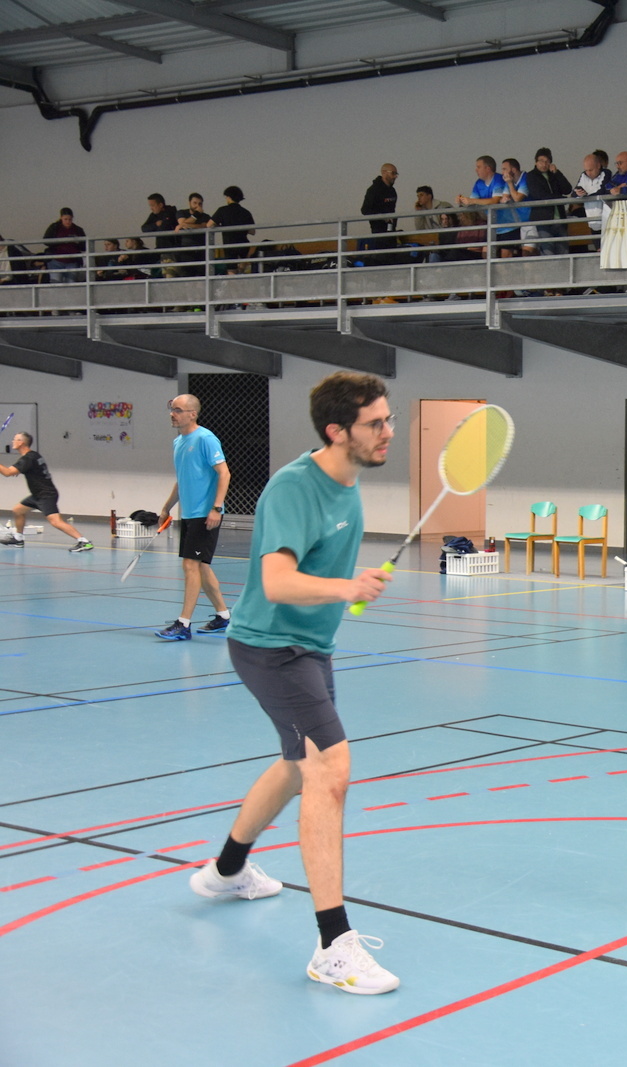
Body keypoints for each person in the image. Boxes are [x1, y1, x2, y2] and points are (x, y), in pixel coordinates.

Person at [187, 371, 400, 996]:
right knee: (330, 768)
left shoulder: (348, 483)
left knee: (296, 764)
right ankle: (334, 946)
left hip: (309, 648)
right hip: (270, 648)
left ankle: (227, 870)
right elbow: (276, 581)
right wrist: (347, 587)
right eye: (375, 423)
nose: (387, 431)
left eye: (388, 419)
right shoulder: (293, 487)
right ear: (337, 431)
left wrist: (345, 587)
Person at [154, 394, 232, 641]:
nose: (172, 414)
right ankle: (223, 617)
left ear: (192, 414)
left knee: (190, 565)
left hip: (205, 514)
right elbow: (181, 480)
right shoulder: (178, 442)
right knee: (201, 567)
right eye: (171, 409)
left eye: (178, 410)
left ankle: (183, 624)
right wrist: (166, 508)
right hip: (188, 514)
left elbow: (224, 473)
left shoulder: (206, 439)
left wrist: (216, 508)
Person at [0, 432, 94, 551]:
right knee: (18, 510)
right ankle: (18, 539)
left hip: (45, 495)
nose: (12, 441)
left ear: (21, 442)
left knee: (56, 522)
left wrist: (11, 471)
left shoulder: (27, 459)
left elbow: (8, 473)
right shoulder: (34, 455)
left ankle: (84, 542)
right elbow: (21, 470)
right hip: (37, 495)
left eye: (15, 439)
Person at [525, 148, 574, 255]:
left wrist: (557, 173)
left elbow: (567, 189)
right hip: (543, 221)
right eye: (541, 161)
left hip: (560, 220)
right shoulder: (531, 176)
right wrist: (559, 198)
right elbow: (538, 194)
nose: (544, 164)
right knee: (548, 252)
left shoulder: (554, 175)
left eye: (547, 161)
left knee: (563, 253)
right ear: (535, 162)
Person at [207, 186, 255, 274]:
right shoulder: (246, 212)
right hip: (243, 244)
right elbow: (252, 231)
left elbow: (209, 225)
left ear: (229, 197)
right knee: (242, 268)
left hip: (229, 245)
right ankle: (241, 270)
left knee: (231, 272)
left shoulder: (222, 210)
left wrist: (222, 226)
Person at [569, 153, 612, 248]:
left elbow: (602, 191)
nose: (588, 173)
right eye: (586, 170)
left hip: (607, 222)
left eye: (591, 170)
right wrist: (578, 193)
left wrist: (586, 196)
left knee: (608, 250)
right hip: (592, 222)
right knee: (598, 250)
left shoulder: (606, 173)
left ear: (598, 166)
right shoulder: (583, 175)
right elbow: (574, 193)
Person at [495, 157, 531, 256]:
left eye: (504, 169)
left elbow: (517, 198)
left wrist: (510, 184)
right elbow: (504, 198)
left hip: (530, 221)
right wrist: (505, 198)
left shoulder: (526, 178)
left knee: (529, 252)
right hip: (518, 222)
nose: (502, 172)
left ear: (513, 170)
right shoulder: (509, 181)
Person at [42, 207, 86, 284]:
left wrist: (78, 242)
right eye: (65, 219)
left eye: (70, 219)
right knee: (56, 282)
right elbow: (46, 241)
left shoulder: (78, 230)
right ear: (61, 218)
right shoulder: (54, 227)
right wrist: (61, 241)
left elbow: (84, 246)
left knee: (71, 283)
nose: (68, 221)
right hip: (56, 261)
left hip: (72, 261)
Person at [174, 193, 211, 277]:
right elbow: (182, 224)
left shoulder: (205, 216)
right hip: (186, 251)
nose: (197, 206)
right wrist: (196, 215)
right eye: (195, 203)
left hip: (201, 251)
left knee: (201, 277)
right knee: (187, 276)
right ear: (189, 203)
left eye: (200, 204)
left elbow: (204, 226)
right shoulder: (181, 213)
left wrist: (188, 225)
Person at [142, 193, 179, 277]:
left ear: (161, 205)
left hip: (171, 250)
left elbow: (165, 227)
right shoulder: (154, 215)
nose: (151, 208)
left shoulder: (171, 212)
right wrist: (156, 225)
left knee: (169, 274)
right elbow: (144, 228)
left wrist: (157, 227)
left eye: (153, 205)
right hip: (160, 250)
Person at [360, 163, 399, 236]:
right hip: (378, 232)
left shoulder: (392, 191)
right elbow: (365, 210)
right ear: (384, 173)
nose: (395, 176)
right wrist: (383, 217)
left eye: (396, 174)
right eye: (393, 173)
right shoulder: (373, 190)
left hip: (391, 230)